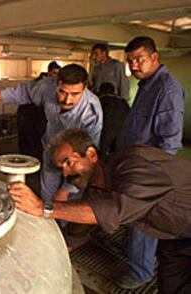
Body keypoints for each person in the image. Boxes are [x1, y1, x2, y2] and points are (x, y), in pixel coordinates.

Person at [8, 128, 191, 294]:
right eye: (61, 168)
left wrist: (42, 207)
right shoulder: (96, 191)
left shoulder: (132, 163)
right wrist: (41, 256)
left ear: (91, 154)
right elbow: (78, 231)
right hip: (174, 237)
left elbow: (113, 209)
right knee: (172, 286)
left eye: (68, 162)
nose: (65, 174)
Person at [116, 36, 185, 289]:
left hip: (150, 170)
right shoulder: (146, 84)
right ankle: (135, 255)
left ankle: (141, 273)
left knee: (145, 220)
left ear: (154, 57)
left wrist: (154, 180)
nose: (134, 65)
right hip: (134, 163)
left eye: (139, 59)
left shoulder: (167, 89)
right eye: (130, 61)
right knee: (134, 219)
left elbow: (170, 142)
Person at [0, 64, 102, 203]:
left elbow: (87, 160)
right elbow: (26, 92)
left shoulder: (92, 113)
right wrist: (0, 95)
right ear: (56, 84)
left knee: (69, 199)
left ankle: (64, 224)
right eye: (62, 92)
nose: (67, 100)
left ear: (85, 88)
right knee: (48, 194)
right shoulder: (47, 87)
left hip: (76, 161)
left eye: (75, 94)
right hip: (51, 148)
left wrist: (66, 189)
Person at [16, 61, 61, 163]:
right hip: (30, 118)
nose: (56, 76)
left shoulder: (54, 86)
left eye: (58, 74)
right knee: (30, 144)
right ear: (49, 72)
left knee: (36, 145)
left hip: (37, 120)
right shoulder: (40, 85)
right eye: (54, 73)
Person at [97, 83, 130, 155]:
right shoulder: (122, 101)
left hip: (105, 130)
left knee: (102, 153)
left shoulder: (98, 100)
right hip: (121, 129)